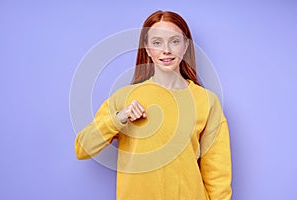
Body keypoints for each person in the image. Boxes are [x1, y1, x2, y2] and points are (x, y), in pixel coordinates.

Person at [75, 10, 232, 200]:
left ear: (185, 46)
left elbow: (218, 176)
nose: (166, 49)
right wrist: (119, 118)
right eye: (157, 42)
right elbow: (82, 148)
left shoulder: (207, 101)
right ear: (147, 49)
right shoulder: (124, 97)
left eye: (174, 41)